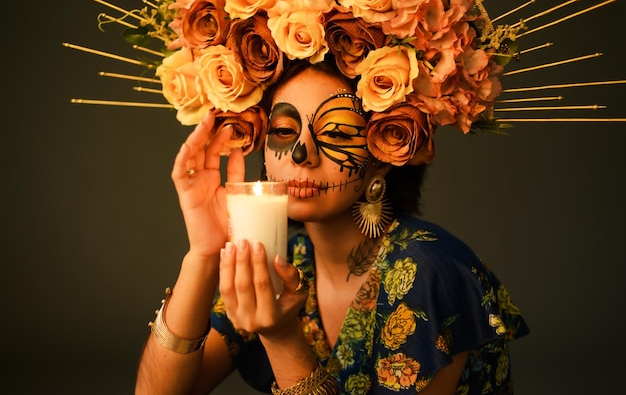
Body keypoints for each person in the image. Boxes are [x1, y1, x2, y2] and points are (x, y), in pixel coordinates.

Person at [135, 53, 528, 394]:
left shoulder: (431, 272)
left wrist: (283, 339)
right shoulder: (287, 258)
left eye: (337, 132)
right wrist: (203, 254)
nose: (301, 153)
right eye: (285, 132)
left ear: (381, 153)